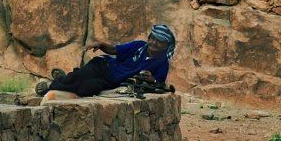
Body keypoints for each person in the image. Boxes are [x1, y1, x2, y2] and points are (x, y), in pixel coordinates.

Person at [35, 24, 176, 98]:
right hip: (103, 66)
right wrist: (101, 44)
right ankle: (50, 87)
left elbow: (159, 84)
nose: (154, 43)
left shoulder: (162, 63)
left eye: (160, 41)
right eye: (153, 38)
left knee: (87, 89)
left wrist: (152, 79)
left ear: (166, 46)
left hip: (112, 81)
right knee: (79, 77)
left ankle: (64, 78)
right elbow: (115, 50)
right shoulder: (139, 46)